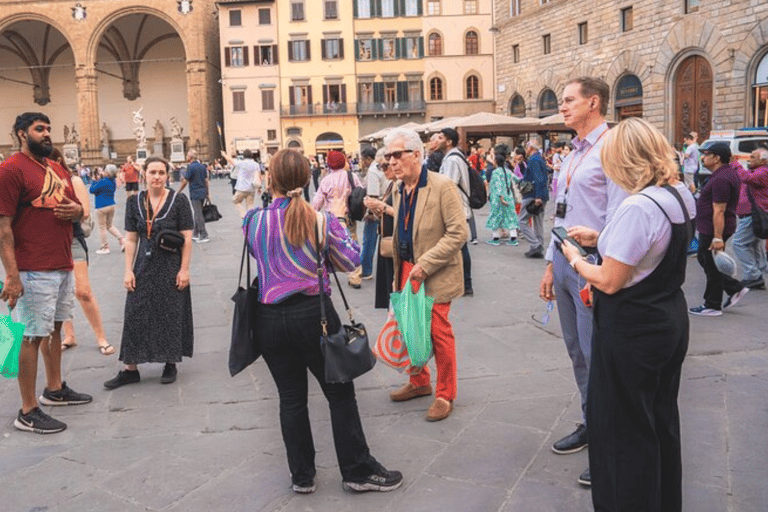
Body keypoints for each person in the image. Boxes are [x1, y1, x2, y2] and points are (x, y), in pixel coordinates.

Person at [244, 149, 403, 494]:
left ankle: (302, 476)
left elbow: (259, 256)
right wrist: (341, 219)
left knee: (290, 398)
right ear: (305, 180)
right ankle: (357, 470)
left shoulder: (253, 220)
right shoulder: (319, 221)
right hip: (313, 315)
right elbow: (351, 261)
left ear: (269, 179)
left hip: (268, 318)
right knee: (340, 394)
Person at [561, 118, 695, 512]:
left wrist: (575, 257)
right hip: (668, 317)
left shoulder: (637, 206)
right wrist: (601, 237)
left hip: (633, 328)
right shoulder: (677, 193)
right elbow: (652, 246)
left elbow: (609, 278)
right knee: (659, 419)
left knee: (622, 429)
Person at [539, 77, 628, 486]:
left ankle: (611, 444)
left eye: (569, 100)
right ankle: (592, 422)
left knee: (598, 357)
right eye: (561, 101)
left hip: (593, 264)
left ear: (594, 102)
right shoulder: (573, 152)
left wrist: (603, 260)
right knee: (577, 351)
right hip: (564, 262)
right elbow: (561, 211)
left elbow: (618, 214)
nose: (563, 106)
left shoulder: (612, 149)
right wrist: (549, 263)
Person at [0, 112, 92, 434]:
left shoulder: (54, 167)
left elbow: (78, 207)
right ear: (22, 134)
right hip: (33, 267)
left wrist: (78, 211)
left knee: (55, 329)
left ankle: (54, 389)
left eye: (49, 128)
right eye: (40, 129)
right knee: (31, 335)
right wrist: (12, 275)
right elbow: (3, 227)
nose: (47, 133)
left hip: (63, 261)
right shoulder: (11, 170)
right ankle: (28, 410)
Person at [385, 128, 467, 422]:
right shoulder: (397, 188)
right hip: (405, 267)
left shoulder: (442, 185)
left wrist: (426, 264)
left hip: (435, 271)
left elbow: (459, 232)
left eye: (397, 155)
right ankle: (419, 381)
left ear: (417, 154)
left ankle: (446, 393)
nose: (391, 162)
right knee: (410, 328)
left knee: (439, 333)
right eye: (388, 157)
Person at [104, 157, 194, 389]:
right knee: (135, 312)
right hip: (143, 266)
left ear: (167, 175)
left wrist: (184, 270)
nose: (156, 177)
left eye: (161, 172)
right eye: (152, 172)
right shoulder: (134, 202)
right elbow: (132, 239)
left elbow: (187, 238)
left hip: (170, 265)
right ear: (143, 174)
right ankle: (130, 369)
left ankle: (170, 362)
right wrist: (128, 270)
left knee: (169, 312)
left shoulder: (179, 200)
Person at [44, 150, 115, 357]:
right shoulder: (41, 185)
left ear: (58, 161)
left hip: (72, 240)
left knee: (82, 291)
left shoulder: (73, 181)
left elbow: (84, 212)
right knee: (59, 293)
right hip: (49, 243)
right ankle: (69, 336)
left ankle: (101, 337)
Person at [689, 142, 749, 316]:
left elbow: (719, 210)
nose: (703, 157)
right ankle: (734, 288)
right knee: (706, 260)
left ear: (716, 158)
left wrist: (717, 237)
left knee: (710, 264)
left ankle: (712, 305)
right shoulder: (722, 174)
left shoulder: (722, 178)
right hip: (712, 227)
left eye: (706, 154)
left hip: (715, 228)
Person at [312, 151, 364, 287]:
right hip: (349, 215)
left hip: (331, 218)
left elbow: (317, 202)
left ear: (329, 164)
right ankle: (355, 276)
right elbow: (360, 192)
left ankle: (325, 275)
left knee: (327, 245)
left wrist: (312, 214)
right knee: (352, 242)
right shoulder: (352, 176)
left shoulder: (326, 180)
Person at [437, 127, 474, 296]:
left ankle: (466, 284)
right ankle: (463, 282)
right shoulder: (455, 157)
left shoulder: (452, 160)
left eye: (440, 137)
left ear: (448, 142)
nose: (437, 140)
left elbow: (449, 185)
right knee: (459, 245)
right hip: (459, 206)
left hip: (456, 207)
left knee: (460, 245)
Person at [731, 148, 768, 290]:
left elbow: (747, 178)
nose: (749, 159)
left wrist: (736, 164)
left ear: (763, 160)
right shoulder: (757, 171)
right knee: (754, 245)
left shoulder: (763, 171)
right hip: (751, 214)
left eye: (753, 157)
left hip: (753, 215)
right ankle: (758, 272)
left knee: (738, 244)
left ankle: (753, 274)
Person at [364, 156, 397, 309]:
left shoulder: (402, 186)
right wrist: (376, 208)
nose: (382, 171)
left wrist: (381, 206)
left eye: (385, 166)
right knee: (394, 297)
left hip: (396, 245)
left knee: (403, 299)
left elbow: (403, 214)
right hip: (388, 242)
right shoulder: (393, 185)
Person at [348, 147, 380, 287]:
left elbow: (373, 193)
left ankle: (366, 270)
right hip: (384, 208)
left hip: (375, 210)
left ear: (368, 159)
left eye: (363, 159)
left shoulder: (373, 171)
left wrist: (370, 212)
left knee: (369, 241)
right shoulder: (380, 168)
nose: (362, 162)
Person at [520, 141, 550, 258]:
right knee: (538, 222)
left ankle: (535, 244)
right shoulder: (539, 159)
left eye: (526, 147)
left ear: (530, 148)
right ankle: (538, 246)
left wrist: (538, 196)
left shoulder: (534, 160)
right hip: (541, 193)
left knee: (522, 220)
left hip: (532, 194)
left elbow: (539, 178)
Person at [485, 144, 519, 246]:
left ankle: (496, 238)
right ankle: (513, 238)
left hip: (498, 199)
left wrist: (500, 197)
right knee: (511, 217)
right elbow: (516, 179)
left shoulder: (496, 172)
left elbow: (498, 186)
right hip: (509, 197)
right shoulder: (508, 171)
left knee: (495, 217)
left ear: (496, 162)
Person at [90, 164, 125, 254]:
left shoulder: (102, 181)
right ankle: (121, 239)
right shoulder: (112, 181)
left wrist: (94, 181)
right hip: (111, 205)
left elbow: (92, 190)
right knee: (109, 225)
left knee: (102, 227)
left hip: (101, 206)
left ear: (108, 173)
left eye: (105, 171)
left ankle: (105, 247)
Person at [178, 149, 210, 243]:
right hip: (203, 192)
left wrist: (179, 191)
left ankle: (204, 234)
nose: (186, 157)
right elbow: (206, 181)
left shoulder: (191, 167)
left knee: (198, 214)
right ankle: (195, 234)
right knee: (197, 213)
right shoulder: (202, 166)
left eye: (187, 155)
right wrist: (207, 193)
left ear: (190, 157)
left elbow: (185, 181)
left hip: (195, 193)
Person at [223, 149, 261, 218]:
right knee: (250, 205)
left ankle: (243, 214)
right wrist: (259, 188)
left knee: (235, 200)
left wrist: (224, 155)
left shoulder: (242, 163)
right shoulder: (256, 164)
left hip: (242, 188)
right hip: (251, 188)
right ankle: (250, 219)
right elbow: (258, 176)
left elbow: (230, 160)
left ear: (244, 156)